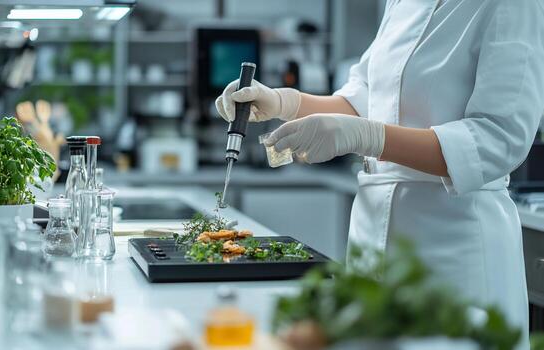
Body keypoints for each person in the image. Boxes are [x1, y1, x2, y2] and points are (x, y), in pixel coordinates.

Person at [215, 0, 544, 348]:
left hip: (456, 246)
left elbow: (498, 139)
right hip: (373, 241)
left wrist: (370, 136)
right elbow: (365, 99)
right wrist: (284, 103)